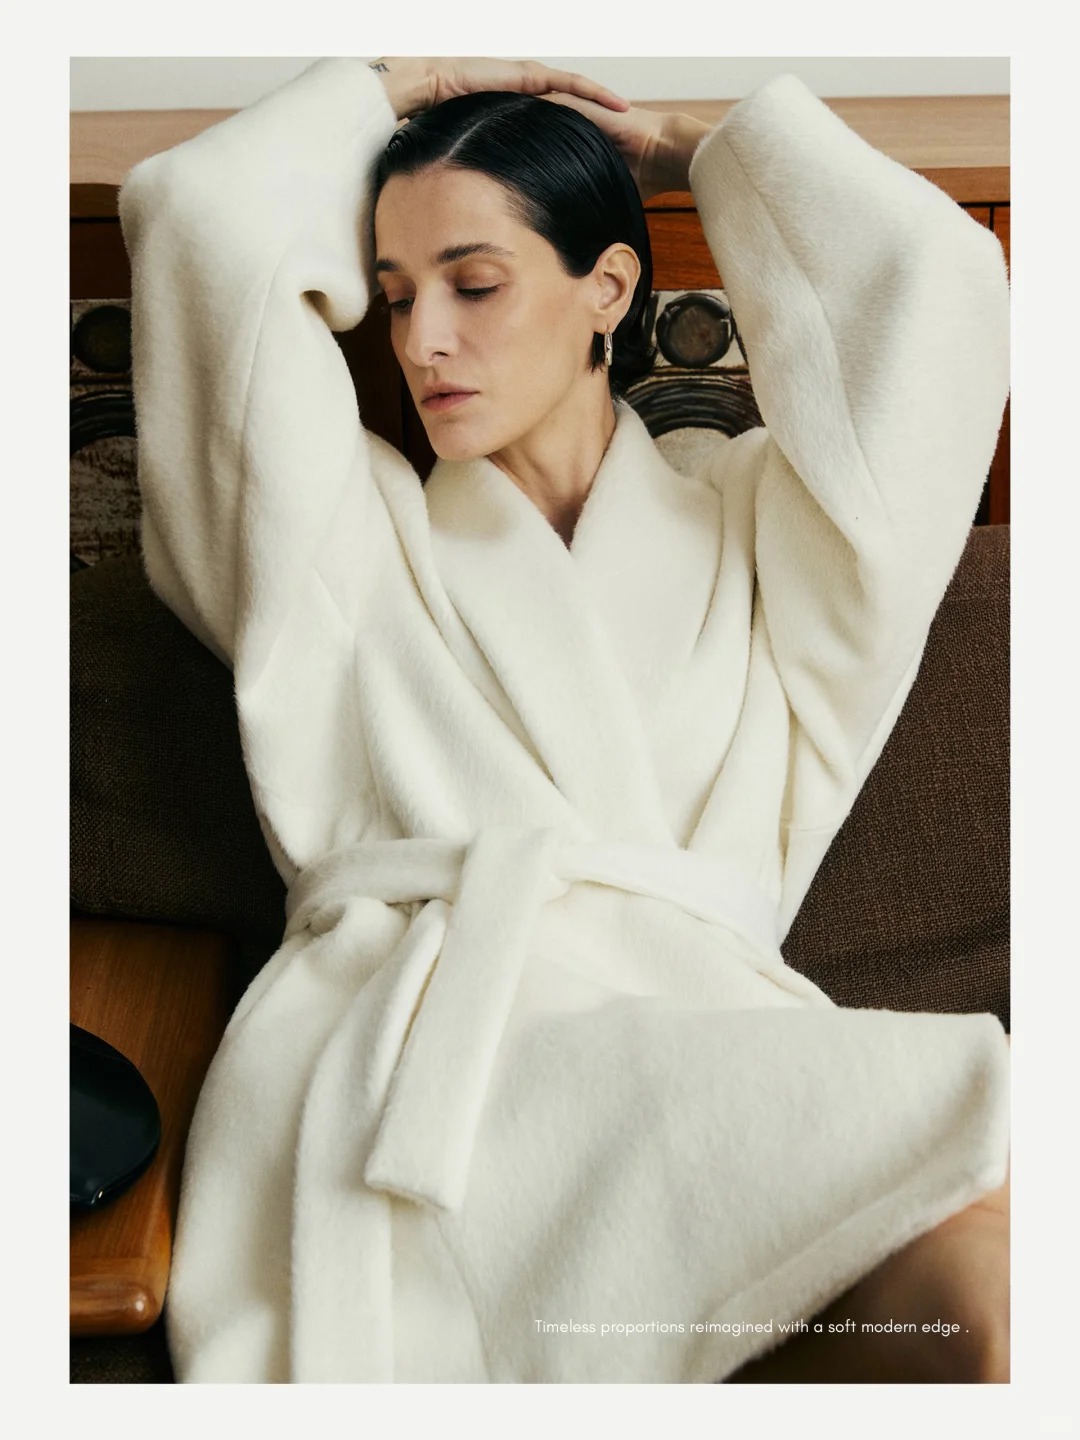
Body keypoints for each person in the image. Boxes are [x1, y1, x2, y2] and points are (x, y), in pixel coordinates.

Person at [118, 55, 1011, 1384]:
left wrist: (704, 147)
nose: (420, 340)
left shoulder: (769, 531)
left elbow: (935, 287)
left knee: (996, 1272)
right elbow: (202, 221)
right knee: (990, 1174)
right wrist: (400, 83)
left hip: (702, 1054)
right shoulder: (347, 543)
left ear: (610, 287)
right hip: (413, 1065)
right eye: (398, 294)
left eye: (474, 285)